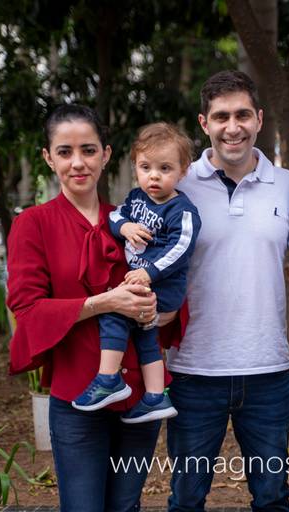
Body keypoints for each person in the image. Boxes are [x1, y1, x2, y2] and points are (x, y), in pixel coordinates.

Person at [7, 104, 166, 511]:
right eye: (65, 152)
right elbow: (27, 310)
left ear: (106, 154)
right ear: (48, 157)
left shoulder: (132, 222)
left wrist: (153, 310)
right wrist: (104, 302)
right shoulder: (33, 224)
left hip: (138, 400)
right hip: (76, 399)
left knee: (126, 507)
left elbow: (169, 299)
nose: (78, 163)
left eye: (89, 150)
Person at [166, 70, 289, 511]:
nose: (233, 127)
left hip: (267, 370)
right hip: (193, 370)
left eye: (242, 115)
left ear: (259, 119)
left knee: (273, 497)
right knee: (186, 497)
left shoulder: (288, 185)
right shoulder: (177, 186)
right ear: (204, 123)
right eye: (221, 117)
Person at [71, 122, 200, 424]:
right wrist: (125, 227)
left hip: (163, 285)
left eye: (165, 168)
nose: (154, 176)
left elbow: (181, 249)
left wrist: (149, 273)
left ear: (183, 171)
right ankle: (155, 396)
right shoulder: (136, 198)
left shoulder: (181, 210)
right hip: (144, 281)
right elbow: (115, 216)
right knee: (145, 335)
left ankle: (108, 379)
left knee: (115, 314)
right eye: (145, 167)